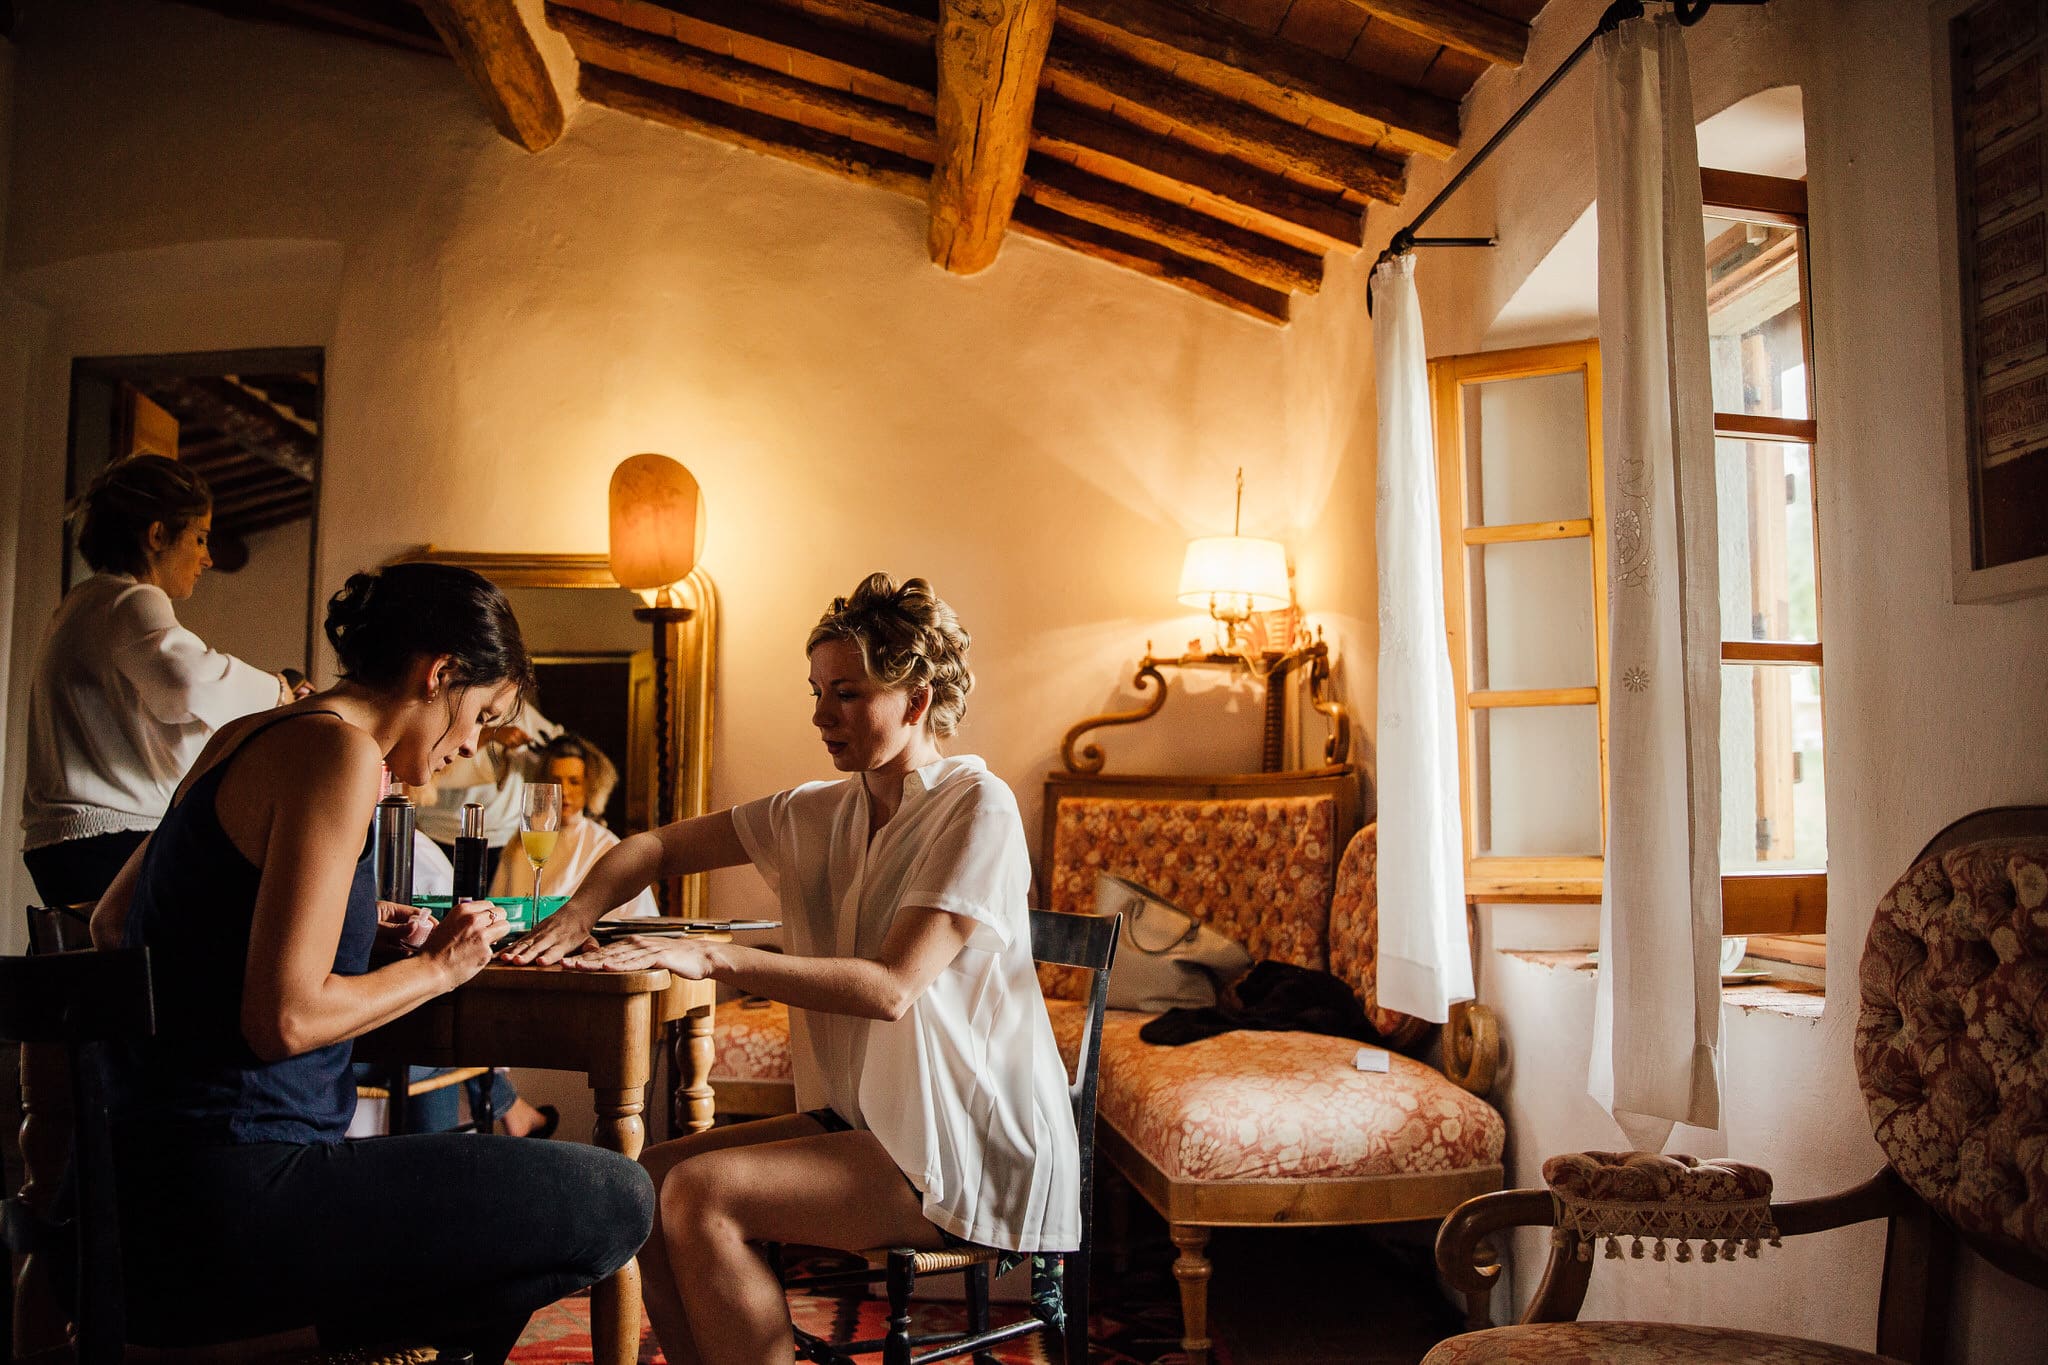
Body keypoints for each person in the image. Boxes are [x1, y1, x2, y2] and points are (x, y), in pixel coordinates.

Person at [504, 573, 1078, 1365]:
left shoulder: (977, 805)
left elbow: (891, 988)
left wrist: (712, 952)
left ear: (916, 697)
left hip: (964, 1141)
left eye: (846, 692)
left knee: (702, 1194)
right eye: (816, 690)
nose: (820, 715)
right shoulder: (818, 809)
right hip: (869, 1123)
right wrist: (573, 917)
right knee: (640, 1184)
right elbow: (653, 846)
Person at [90, 562, 653, 1362]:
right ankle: (282, 1346)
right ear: (441, 674)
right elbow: (282, 1017)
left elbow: (115, 921)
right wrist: (443, 965)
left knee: (504, 1224)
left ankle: (329, 1344)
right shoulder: (342, 754)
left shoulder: (243, 735)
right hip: (243, 1196)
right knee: (619, 1197)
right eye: (484, 714)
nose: (475, 744)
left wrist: (351, 928)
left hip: (145, 1191)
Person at [21, 455, 300, 906]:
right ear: (157, 535)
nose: (208, 558)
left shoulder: (83, 603)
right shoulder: (130, 600)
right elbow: (187, 686)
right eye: (200, 538)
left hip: (66, 846)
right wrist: (278, 691)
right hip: (112, 842)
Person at [490, 731, 657, 919]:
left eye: (574, 782)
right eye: (556, 781)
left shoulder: (605, 845)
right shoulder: (523, 843)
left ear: (590, 785)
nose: (565, 792)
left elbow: (636, 916)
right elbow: (499, 906)